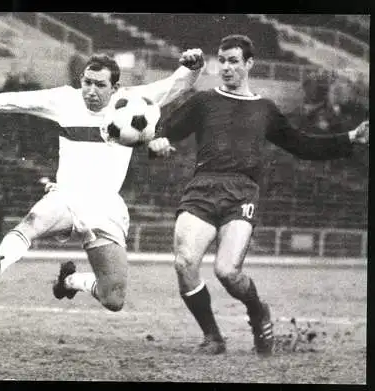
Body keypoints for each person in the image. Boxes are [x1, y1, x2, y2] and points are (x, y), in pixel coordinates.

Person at [148, 35, 369, 356]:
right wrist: (157, 143)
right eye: (221, 60)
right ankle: (213, 337)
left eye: (233, 61)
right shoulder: (203, 102)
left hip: (242, 191)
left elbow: (302, 145)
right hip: (202, 187)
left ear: (249, 64)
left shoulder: (265, 109)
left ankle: (257, 311)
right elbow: (163, 131)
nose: (226, 67)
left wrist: (349, 138)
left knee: (227, 271)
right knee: (184, 263)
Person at [0, 49, 205, 313]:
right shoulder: (65, 100)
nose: (90, 90)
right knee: (33, 221)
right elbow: (14, 100)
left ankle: (70, 281)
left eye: (99, 85)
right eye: (86, 82)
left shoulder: (134, 102)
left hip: (104, 206)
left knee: (113, 298)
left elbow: (175, 85)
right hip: (66, 195)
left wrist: (193, 66)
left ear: (115, 88)